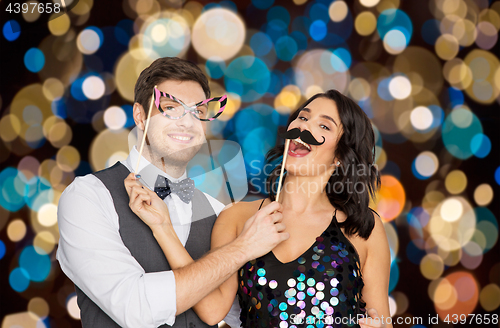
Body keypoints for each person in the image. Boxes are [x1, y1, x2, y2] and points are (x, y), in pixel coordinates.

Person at [127, 89, 393, 328]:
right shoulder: (237, 217)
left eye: (324, 125)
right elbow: (211, 310)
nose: (303, 127)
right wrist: (163, 227)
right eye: (302, 118)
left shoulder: (362, 227)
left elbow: (380, 320)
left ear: (339, 156)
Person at [56, 57, 289, 328]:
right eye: (170, 108)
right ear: (140, 116)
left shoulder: (218, 212)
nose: (187, 123)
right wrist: (243, 248)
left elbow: (248, 315)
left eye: (197, 112)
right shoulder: (87, 197)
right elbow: (135, 308)